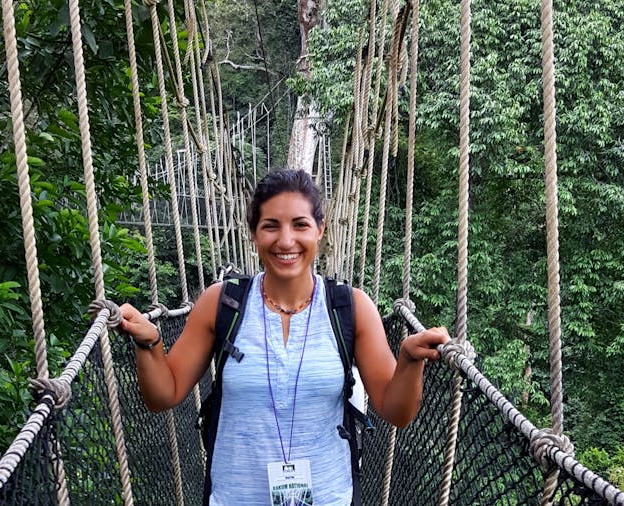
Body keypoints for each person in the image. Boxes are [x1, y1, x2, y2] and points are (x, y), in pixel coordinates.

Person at [119, 169, 450, 505]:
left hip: (327, 496)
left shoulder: (350, 307)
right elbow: (164, 394)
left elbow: (396, 412)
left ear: (320, 230)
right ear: (253, 234)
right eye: (271, 226)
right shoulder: (221, 303)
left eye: (300, 224)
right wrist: (149, 343)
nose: (286, 240)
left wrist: (408, 359)